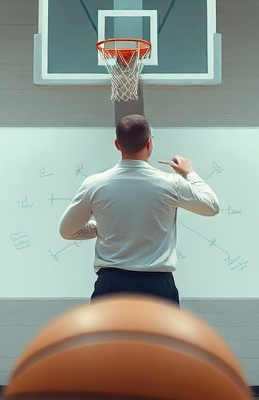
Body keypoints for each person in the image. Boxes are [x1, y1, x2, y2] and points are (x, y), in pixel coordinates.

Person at [58, 114, 219, 304]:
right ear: (149, 144)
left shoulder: (94, 184)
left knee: (112, 336)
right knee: (157, 336)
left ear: (117, 144)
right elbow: (212, 206)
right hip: (157, 286)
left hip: (111, 285)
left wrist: (99, 227)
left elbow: (67, 231)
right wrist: (189, 172)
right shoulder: (171, 183)